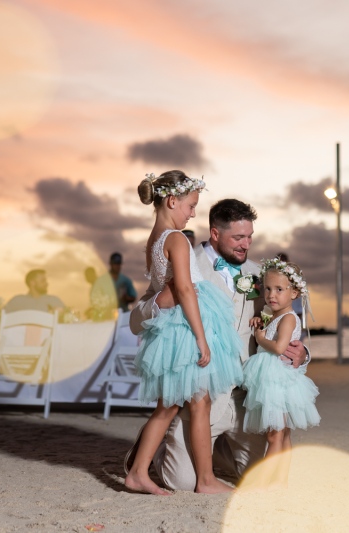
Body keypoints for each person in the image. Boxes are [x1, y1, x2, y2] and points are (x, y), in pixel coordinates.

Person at [127, 198, 309, 492]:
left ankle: (218, 455)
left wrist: (302, 354)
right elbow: (136, 319)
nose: (245, 244)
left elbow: (284, 321)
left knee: (255, 477)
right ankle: (158, 449)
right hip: (203, 396)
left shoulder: (261, 273)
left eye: (249, 237)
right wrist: (158, 304)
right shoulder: (185, 261)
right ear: (214, 233)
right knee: (181, 482)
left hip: (247, 399)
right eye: (238, 237)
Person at [125, 171, 243, 496]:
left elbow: (161, 289)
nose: (193, 213)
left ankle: (140, 472)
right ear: (172, 201)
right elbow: (185, 290)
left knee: (178, 404)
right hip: (186, 327)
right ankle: (203, 480)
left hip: (172, 327)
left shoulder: (154, 238)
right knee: (192, 403)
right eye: (190, 206)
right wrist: (202, 338)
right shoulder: (176, 239)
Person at [241, 258, 320, 485]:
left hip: (277, 380)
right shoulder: (273, 315)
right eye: (267, 288)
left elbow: (278, 347)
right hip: (273, 379)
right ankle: (281, 481)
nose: (271, 295)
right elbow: (266, 323)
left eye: (279, 289)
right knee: (282, 434)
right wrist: (260, 321)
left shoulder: (288, 318)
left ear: (294, 293)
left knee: (275, 434)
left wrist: (260, 337)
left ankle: (263, 482)